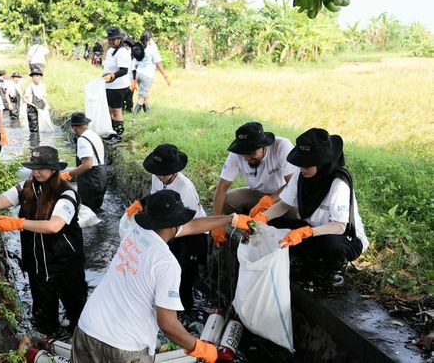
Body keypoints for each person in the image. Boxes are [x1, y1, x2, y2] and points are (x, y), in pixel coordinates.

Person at [72, 190, 245, 363]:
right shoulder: (166, 263)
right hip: (124, 346)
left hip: (87, 328)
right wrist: (203, 349)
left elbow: (192, 226)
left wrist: (231, 219)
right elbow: (167, 324)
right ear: (174, 224)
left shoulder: (136, 231)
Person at [0, 146, 87, 335]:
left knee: (78, 312)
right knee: (43, 316)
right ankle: (49, 342)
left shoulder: (66, 194)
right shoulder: (26, 187)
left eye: (42, 167)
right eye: (34, 167)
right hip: (37, 264)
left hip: (65, 263)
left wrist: (18, 223)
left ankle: (78, 341)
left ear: (55, 169)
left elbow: (54, 226)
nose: (36, 172)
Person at [238, 128, 368, 287]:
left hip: (342, 237)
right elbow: (284, 204)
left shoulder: (338, 183)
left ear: (321, 163)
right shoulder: (301, 175)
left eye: (307, 165)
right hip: (313, 230)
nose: (302, 169)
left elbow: (340, 226)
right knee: (274, 224)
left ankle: (335, 270)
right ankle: (307, 259)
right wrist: (261, 219)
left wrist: (306, 232)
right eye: (301, 164)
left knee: (329, 244)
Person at [125, 144, 206, 311]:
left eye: (163, 173)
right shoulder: (158, 176)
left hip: (192, 231)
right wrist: (140, 203)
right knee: (169, 271)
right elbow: (155, 196)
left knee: (183, 275)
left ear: (174, 169)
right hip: (172, 228)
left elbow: (188, 219)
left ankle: (185, 311)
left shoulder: (185, 188)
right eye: (157, 172)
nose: (159, 176)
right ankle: (167, 305)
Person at [211, 122, 296, 246]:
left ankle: (268, 222)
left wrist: (269, 200)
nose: (247, 157)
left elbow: (293, 183)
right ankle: (250, 221)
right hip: (256, 194)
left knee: (294, 215)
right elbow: (222, 187)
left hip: (282, 196)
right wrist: (216, 223)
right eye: (243, 153)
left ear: (264, 146)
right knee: (228, 200)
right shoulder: (237, 154)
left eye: (252, 153)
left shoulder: (281, 146)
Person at [60, 112, 107, 212]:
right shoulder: (93, 134)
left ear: (74, 127)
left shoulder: (83, 140)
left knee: (87, 211)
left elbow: (87, 165)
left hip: (91, 180)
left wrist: (67, 175)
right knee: (96, 210)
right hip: (101, 176)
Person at [102, 26, 132, 143]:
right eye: (109, 40)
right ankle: (112, 132)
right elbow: (109, 67)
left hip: (118, 86)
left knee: (116, 110)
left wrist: (112, 76)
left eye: (113, 40)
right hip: (109, 85)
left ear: (119, 39)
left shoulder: (122, 52)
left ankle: (119, 134)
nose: (111, 42)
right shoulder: (110, 51)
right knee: (109, 110)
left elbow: (124, 70)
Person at [133, 31, 171, 114]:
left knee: (145, 94)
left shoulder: (138, 48)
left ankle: (147, 113)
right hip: (147, 75)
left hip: (139, 74)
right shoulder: (151, 49)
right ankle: (133, 117)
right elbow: (158, 63)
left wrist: (134, 79)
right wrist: (165, 75)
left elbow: (135, 63)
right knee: (141, 97)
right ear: (149, 39)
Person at [23, 68, 49, 133]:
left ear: (40, 76)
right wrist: (33, 105)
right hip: (32, 110)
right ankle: (34, 142)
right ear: (32, 78)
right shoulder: (30, 87)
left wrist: (47, 104)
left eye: (37, 76)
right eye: (34, 76)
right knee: (34, 129)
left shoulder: (43, 86)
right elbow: (25, 99)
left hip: (41, 107)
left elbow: (44, 97)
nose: (35, 78)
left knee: (43, 127)